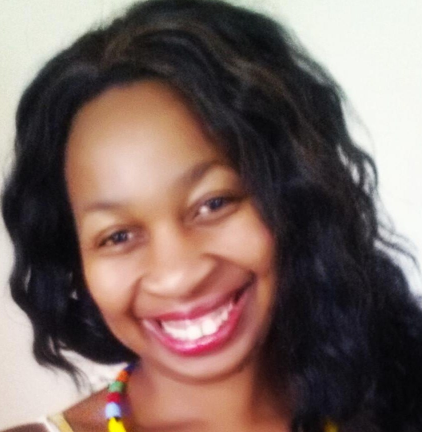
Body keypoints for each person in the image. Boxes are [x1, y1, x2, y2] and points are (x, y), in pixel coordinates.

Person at [2, 0, 422, 431]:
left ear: (294, 195)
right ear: (75, 264)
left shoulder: (393, 400)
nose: (178, 276)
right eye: (117, 236)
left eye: (213, 204)